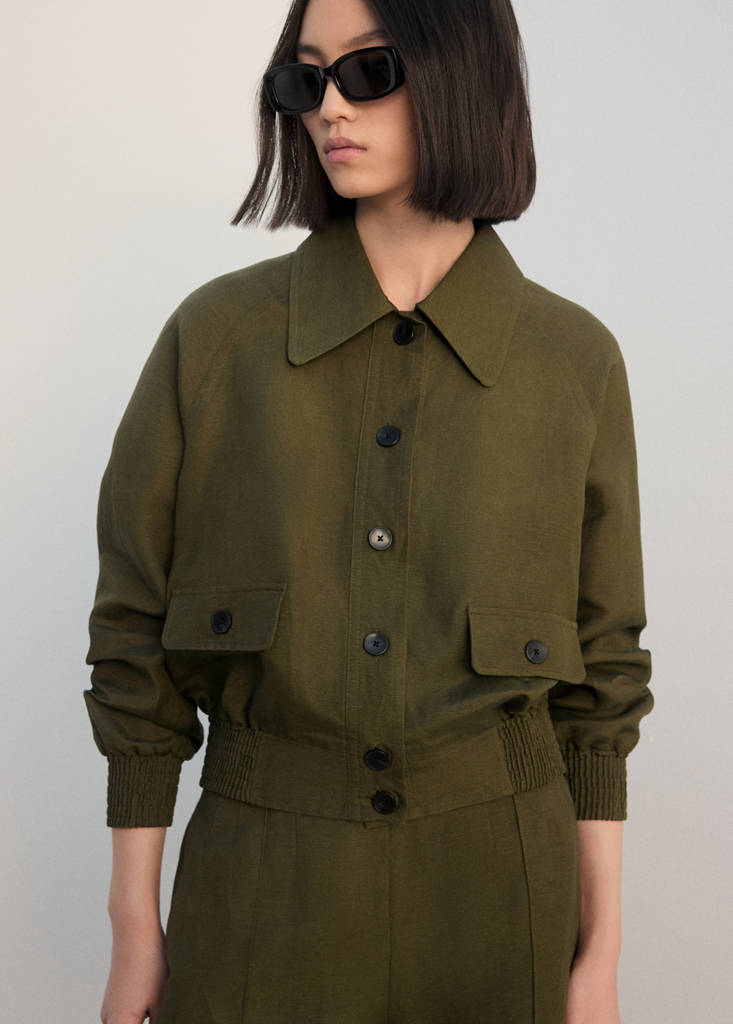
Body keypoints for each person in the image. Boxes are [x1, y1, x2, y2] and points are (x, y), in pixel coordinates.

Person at [83, 0, 654, 1022]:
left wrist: (600, 951)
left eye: (369, 71)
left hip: (501, 902)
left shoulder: (572, 361)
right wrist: (135, 931)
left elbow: (602, 681)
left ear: (463, 72)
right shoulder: (215, 344)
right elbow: (133, 641)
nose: (330, 109)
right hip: (260, 893)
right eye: (305, 79)